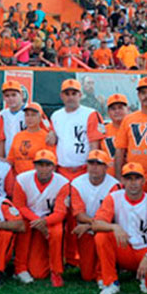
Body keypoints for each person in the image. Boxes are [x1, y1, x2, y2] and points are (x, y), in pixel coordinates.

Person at [92, 162, 147, 294]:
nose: (133, 183)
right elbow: (96, 224)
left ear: (143, 181)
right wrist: (114, 226)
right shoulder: (114, 197)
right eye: (129, 178)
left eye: (137, 178)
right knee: (101, 236)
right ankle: (111, 282)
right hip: (125, 248)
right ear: (122, 181)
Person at [50, 78, 104, 266]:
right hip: (63, 170)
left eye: (74, 93)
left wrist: (92, 168)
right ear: (61, 96)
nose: (71, 96)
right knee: (63, 214)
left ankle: (83, 256)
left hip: (82, 169)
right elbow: (54, 137)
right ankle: (68, 255)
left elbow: (95, 143)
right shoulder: (56, 115)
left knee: (81, 213)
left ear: (80, 95)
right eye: (67, 93)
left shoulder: (90, 113)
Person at [61, 150, 120, 284]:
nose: (94, 167)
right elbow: (79, 214)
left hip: (105, 229)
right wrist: (92, 225)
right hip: (86, 229)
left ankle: (104, 272)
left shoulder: (114, 185)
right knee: (87, 275)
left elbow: (111, 217)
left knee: (102, 239)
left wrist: (92, 225)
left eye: (99, 164)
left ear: (106, 167)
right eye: (91, 163)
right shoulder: (77, 183)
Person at [12, 150, 68, 286]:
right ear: (34, 166)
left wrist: (44, 222)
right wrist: (37, 221)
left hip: (49, 219)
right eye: (40, 165)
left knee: (57, 231)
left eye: (47, 165)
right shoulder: (22, 179)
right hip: (29, 218)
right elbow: (19, 206)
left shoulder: (63, 183)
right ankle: (20, 268)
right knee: (22, 225)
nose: (43, 169)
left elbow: (60, 213)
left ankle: (56, 271)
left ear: (54, 167)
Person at [114, 77, 147, 194]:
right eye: (143, 93)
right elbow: (120, 150)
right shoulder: (129, 119)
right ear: (138, 95)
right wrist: (119, 177)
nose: (146, 96)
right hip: (132, 178)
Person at [7, 102, 51, 175]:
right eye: (27, 115)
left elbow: (51, 162)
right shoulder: (18, 136)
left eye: (33, 115)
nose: (30, 118)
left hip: (37, 178)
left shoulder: (46, 137)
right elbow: (11, 160)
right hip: (18, 178)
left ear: (40, 117)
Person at [0, 81, 26, 159]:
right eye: (7, 96)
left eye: (14, 95)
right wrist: (0, 158)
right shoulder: (2, 115)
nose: (10, 98)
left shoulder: (31, 111)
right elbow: (0, 139)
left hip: (28, 158)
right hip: (10, 158)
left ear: (21, 95)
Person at [101, 94, 128, 175]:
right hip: (108, 177)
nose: (117, 111)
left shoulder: (132, 128)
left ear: (127, 109)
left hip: (130, 176)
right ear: (108, 112)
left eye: (120, 107)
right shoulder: (102, 130)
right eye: (113, 109)